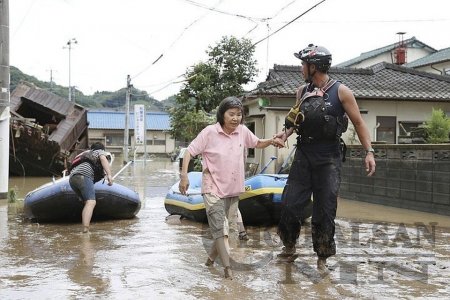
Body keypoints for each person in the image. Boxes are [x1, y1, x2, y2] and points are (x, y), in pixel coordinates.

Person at [273, 44, 376, 270]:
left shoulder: (341, 92)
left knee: (325, 209)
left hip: (329, 157)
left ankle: (322, 257)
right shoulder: (301, 91)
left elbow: (359, 123)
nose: (301, 68)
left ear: (314, 67)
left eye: (304, 64)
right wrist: (285, 133)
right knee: (290, 204)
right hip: (303, 154)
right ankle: (289, 247)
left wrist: (369, 152)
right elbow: (295, 120)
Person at [179, 96, 282, 279]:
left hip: (233, 189)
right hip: (212, 187)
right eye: (231, 114)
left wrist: (272, 141)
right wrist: (184, 176)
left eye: (239, 114)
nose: (235, 118)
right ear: (222, 114)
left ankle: (210, 261)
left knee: (224, 230)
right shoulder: (210, 132)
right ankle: (228, 270)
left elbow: (257, 143)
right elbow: (189, 151)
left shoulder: (242, 131)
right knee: (220, 228)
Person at [69, 142, 113, 233]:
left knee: (87, 202)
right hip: (84, 175)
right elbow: (103, 159)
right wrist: (109, 175)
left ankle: (85, 226)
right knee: (91, 202)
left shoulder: (85, 154)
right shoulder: (99, 151)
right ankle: (85, 230)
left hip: (72, 179)